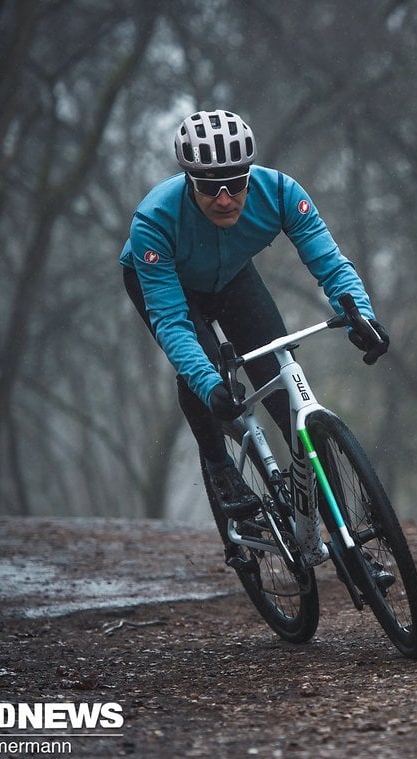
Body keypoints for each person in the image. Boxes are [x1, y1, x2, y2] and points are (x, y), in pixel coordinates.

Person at [119, 109, 389, 561]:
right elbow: (173, 325)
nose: (224, 198)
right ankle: (221, 465)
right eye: (209, 186)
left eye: (235, 183)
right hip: (170, 287)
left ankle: (349, 547)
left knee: (287, 395)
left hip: (232, 279)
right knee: (205, 375)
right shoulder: (154, 221)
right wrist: (208, 385)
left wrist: (361, 315)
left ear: (250, 174)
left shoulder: (280, 193)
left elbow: (329, 263)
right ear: (189, 181)